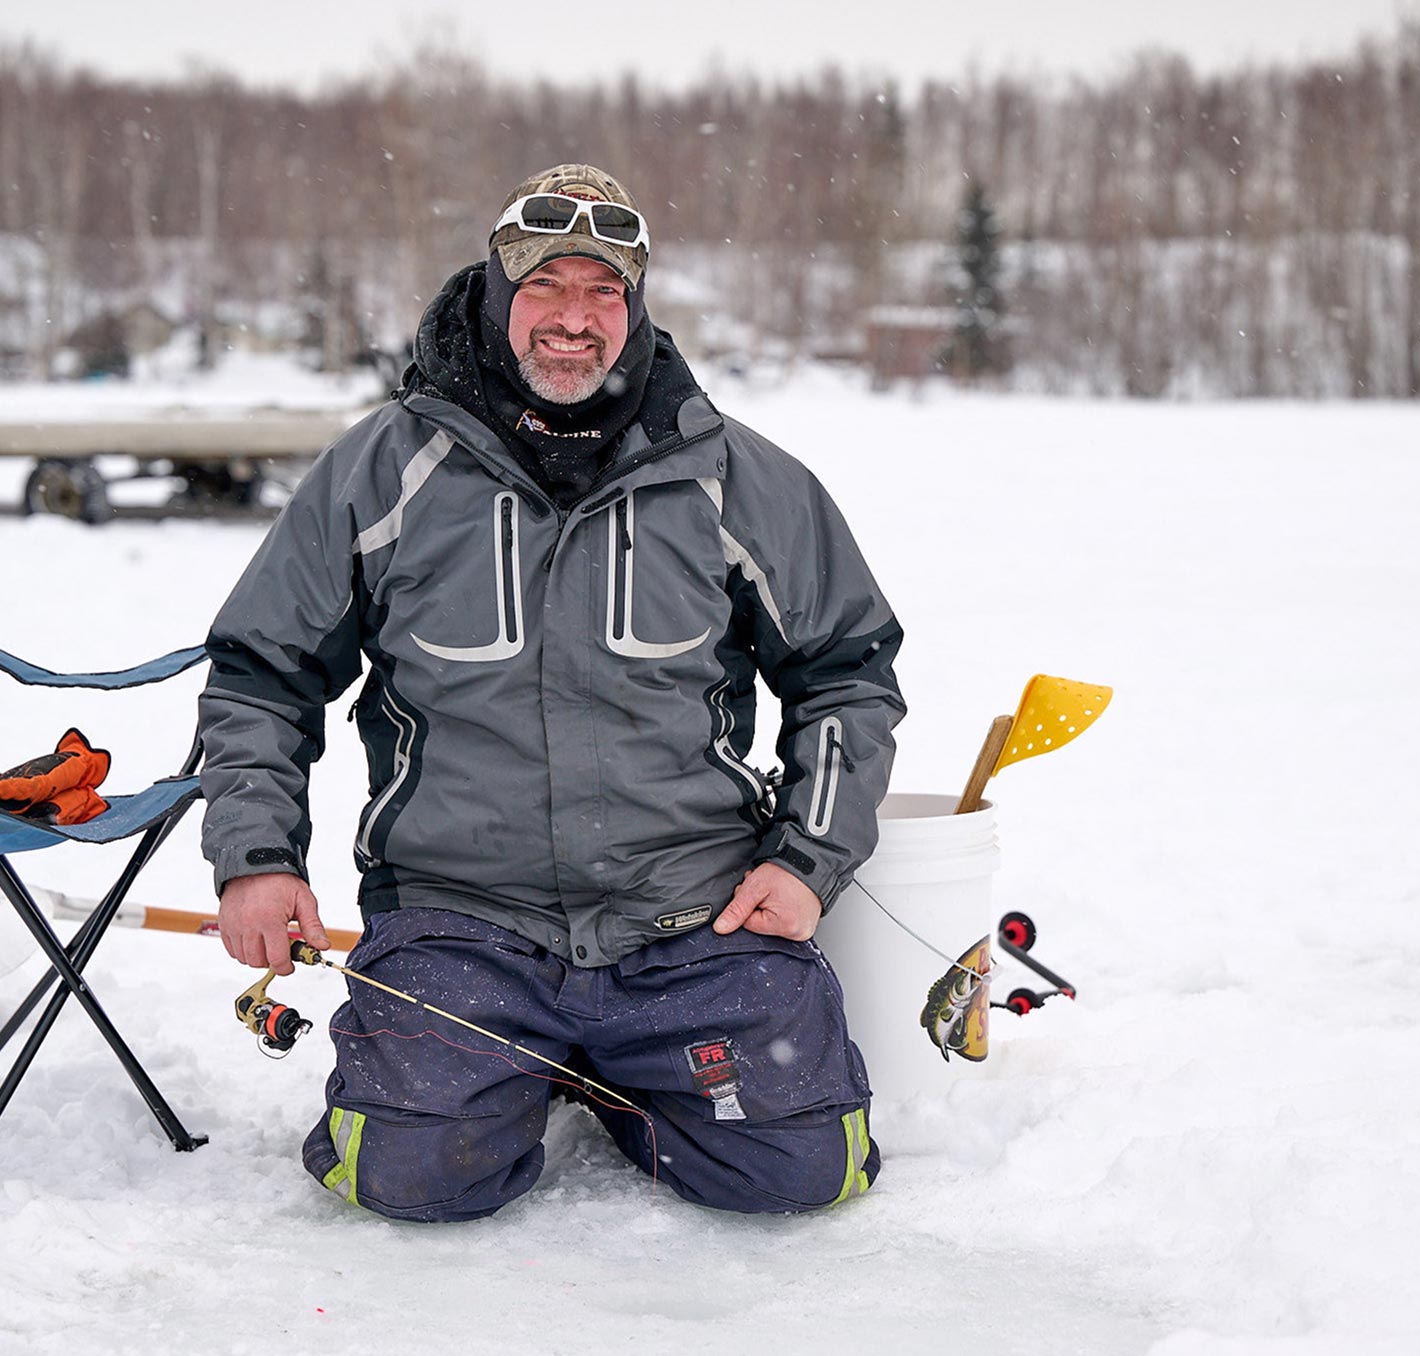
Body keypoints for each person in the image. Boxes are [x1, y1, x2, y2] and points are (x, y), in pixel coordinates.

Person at [199, 164, 905, 1222]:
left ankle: (614, 1077)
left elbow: (845, 673)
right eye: (544, 287)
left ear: (635, 305)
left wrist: (805, 861)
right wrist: (256, 859)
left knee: (804, 1172)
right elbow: (263, 676)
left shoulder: (732, 476)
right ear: (496, 291)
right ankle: (514, 1075)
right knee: (406, 1180)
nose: (573, 319)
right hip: (460, 921)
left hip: (692, 917)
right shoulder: (382, 471)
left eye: (603, 291)